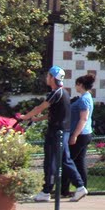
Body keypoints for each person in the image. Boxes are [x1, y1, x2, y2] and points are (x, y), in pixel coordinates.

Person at [21, 66, 88, 202]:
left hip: (56, 132)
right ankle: (79, 187)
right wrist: (36, 118)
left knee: (51, 160)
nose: (46, 78)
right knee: (64, 160)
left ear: (53, 78)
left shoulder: (56, 93)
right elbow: (52, 113)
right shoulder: (63, 93)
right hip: (63, 131)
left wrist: (25, 116)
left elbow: (40, 107)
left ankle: (47, 191)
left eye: (48, 76)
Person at [61, 74, 95, 199]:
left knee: (67, 161)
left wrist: (74, 135)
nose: (75, 86)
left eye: (76, 84)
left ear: (81, 85)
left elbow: (83, 118)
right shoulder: (86, 97)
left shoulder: (84, 99)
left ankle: (64, 189)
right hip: (85, 133)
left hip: (81, 134)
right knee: (79, 162)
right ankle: (82, 188)